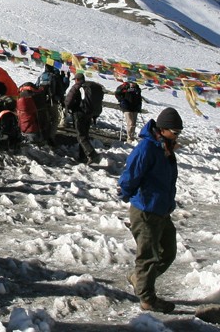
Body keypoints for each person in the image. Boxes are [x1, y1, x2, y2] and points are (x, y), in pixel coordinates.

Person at [118, 107, 185, 313]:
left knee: (168, 252)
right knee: (148, 256)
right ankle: (147, 299)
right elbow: (131, 174)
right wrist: (127, 193)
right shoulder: (147, 148)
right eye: (174, 132)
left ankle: (139, 279)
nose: (177, 136)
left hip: (162, 210)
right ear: (163, 129)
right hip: (146, 210)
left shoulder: (165, 147)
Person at [63, 73, 103, 164]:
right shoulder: (90, 87)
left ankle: (92, 155)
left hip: (79, 113)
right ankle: (83, 156)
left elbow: (69, 99)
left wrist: (67, 107)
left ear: (77, 79)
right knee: (85, 135)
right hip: (89, 113)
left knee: (81, 135)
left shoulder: (77, 86)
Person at [15, 82, 41, 147]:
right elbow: (35, 114)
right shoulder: (30, 101)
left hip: (22, 128)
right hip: (32, 130)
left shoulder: (18, 100)